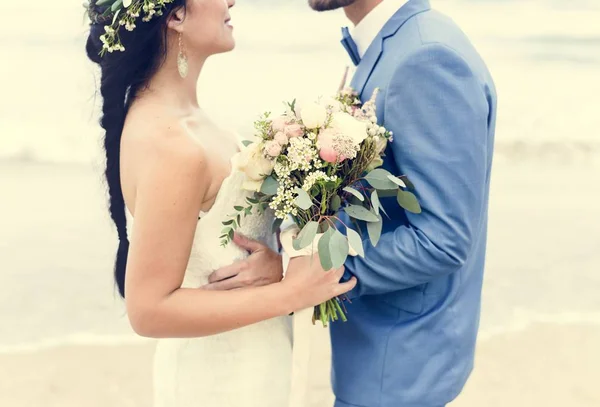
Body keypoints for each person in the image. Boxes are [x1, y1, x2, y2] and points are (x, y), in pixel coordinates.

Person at [84, 1, 356, 406]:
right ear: (175, 16)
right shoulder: (171, 144)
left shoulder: (186, 118)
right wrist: (292, 293)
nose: (230, 1)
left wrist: (277, 265)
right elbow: (148, 310)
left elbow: (220, 241)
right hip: (221, 381)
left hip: (252, 360)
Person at [307, 0, 498, 406]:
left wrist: (309, 268)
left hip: (397, 366)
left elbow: (442, 239)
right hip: (378, 357)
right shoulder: (395, 46)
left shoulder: (427, 58)